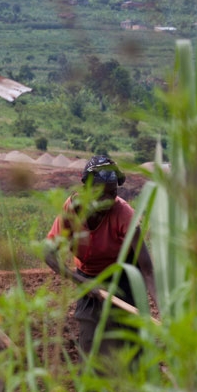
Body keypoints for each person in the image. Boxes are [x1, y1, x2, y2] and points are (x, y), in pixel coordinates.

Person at [43, 155, 157, 363]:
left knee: (134, 347)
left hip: (123, 278)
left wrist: (163, 310)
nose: (107, 200)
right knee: (89, 344)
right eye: (100, 194)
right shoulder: (72, 210)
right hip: (87, 277)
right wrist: (83, 282)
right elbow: (48, 254)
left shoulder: (124, 214)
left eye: (112, 193)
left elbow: (147, 269)